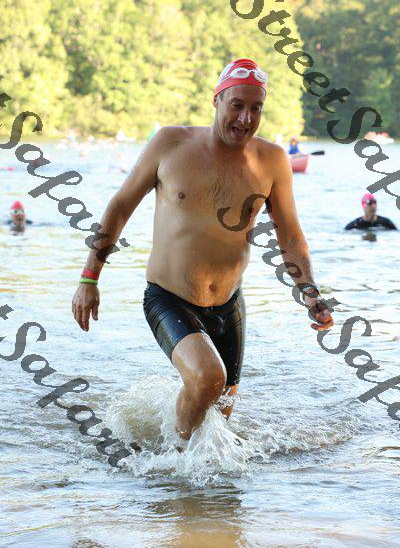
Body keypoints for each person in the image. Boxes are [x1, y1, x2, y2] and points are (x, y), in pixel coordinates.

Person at [72, 57, 334, 446]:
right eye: (237, 105)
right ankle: (174, 459)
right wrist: (89, 278)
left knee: (219, 419)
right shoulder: (170, 144)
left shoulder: (272, 161)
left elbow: (290, 236)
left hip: (229, 305)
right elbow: (120, 207)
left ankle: (190, 471)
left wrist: (309, 291)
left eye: (256, 108)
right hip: (168, 298)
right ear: (217, 100)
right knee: (210, 378)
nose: (246, 118)